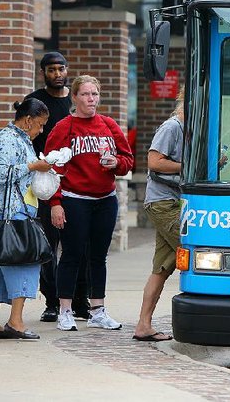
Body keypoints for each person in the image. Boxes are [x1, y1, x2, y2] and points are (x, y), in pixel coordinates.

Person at [45, 75, 134, 331]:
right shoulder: (65, 127)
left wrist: (116, 163)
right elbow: (51, 168)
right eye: (85, 94)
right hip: (75, 199)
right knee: (71, 254)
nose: (90, 99)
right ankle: (65, 310)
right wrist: (55, 203)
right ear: (74, 97)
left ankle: (98, 310)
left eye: (94, 94)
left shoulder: (108, 124)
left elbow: (127, 160)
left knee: (99, 257)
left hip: (105, 200)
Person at [0, 98, 54, 340]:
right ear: (28, 120)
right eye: (39, 125)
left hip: (4, 210)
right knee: (23, 261)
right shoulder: (8, 138)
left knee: (1, 264)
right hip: (5, 210)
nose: (40, 130)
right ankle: (16, 322)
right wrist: (34, 166)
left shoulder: (19, 139)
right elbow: (1, 174)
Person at [24, 51, 91, 323]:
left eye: (60, 68)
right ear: (43, 72)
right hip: (44, 182)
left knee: (78, 245)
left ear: (67, 70)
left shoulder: (75, 103)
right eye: (51, 69)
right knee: (48, 246)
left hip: (75, 183)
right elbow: (26, 137)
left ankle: (79, 300)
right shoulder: (35, 101)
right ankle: (52, 301)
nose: (56, 73)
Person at [133, 91, 184, 342]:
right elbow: (154, 162)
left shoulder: (189, 129)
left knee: (162, 268)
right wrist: (188, 166)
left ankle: (143, 325)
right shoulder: (172, 127)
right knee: (197, 249)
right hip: (164, 203)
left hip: (175, 202)